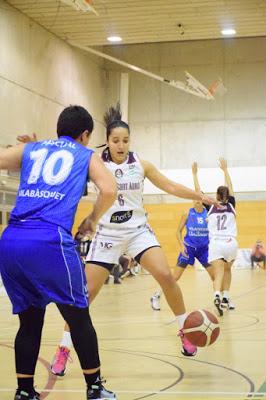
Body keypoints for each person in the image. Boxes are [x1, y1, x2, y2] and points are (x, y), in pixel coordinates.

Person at [51, 103, 219, 375]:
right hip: (106, 233)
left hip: (138, 230)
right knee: (84, 295)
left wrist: (197, 195)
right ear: (106, 141)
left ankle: (185, 331)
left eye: (125, 140)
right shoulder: (93, 162)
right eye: (116, 140)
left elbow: (170, 186)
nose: (121, 145)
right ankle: (63, 349)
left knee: (166, 275)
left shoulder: (140, 164)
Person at [0, 105, 117, 400]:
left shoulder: (32, 149)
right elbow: (109, 190)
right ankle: (95, 388)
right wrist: (91, 220)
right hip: (49, 241)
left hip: (11, 240)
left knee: (29, 321)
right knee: (79, 318)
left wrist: (23, 149)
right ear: (85, 135)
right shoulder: (85, 154)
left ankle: (24, 391)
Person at [150, 163, 214, 311]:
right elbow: (177, 232)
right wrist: (181, 245)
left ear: (203, 200)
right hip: (189, 248)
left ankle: (222, 297)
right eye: (195, 198)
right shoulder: (187, 213)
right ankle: (156, 296)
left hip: (204, 250)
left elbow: (199, 191)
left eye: (199, 198)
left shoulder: (208, 214)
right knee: (174, 278)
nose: (197, 199)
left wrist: (195, 176)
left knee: (215, 276)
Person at [207, 158, 237, 316]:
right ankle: (226, 296)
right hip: (231, 242)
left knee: (218, 273)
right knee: (228, 270)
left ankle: (217, 295)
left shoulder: (210, 205)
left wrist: (194, 174)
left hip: (216, 243)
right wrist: (225, 170)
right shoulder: (231, 204)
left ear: (216, 196)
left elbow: (198, 192)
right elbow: (230, 188)